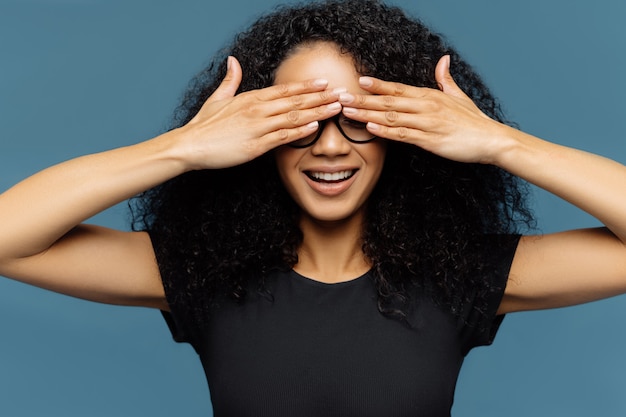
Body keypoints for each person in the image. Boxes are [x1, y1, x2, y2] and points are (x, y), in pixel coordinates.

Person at [0, 0, 625, 415]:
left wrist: (501, 143)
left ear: (402, 134)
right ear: (257, 135)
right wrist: (182, 147)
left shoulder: (461, 276)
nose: (329, 145)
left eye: (358, 119)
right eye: (298, 120)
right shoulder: (205, 272)